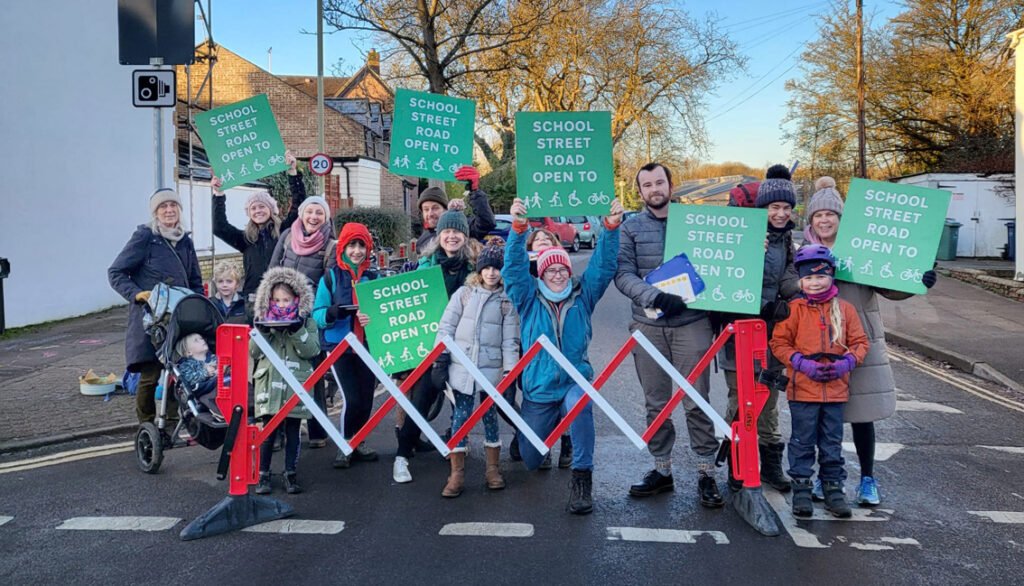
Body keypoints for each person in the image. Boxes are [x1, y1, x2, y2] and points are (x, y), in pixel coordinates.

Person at [802, 176, 938, 505]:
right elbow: (791, 287)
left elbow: (891, 286)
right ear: (811, 221)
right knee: (823, 418)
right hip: (819, 345)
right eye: (818, 215)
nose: (824, 220)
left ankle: (868, 479)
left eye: (830, 214)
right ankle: (826, 478)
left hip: (859, 343)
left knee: (863, 416)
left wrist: (918, 280)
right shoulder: (804, 253)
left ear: (840, 219)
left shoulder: (862, 250)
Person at [503, 196, 624, 515]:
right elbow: (514, 270)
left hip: (573, 382)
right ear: (540, 274)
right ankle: (537, 432)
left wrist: (611, 228)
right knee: (530, 460)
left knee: (580, 405)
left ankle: (582, 480)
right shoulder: (527, 299)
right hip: (539, 388)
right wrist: (517, 230)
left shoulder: (583, 296)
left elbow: (603, 266)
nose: (557, 274)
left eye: (562, 269)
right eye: (550, 270)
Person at [614, 162, 723, 508]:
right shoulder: (630, 229)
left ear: (671, 185)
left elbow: (724, 259)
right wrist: (654, 296)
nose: (654, 189)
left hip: (692, 323)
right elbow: (623, 274)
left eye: (659, 182)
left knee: (696, 400)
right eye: (647, 185)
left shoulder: (696, 223)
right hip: (649, 325)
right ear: (640, 191)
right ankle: (662, 469)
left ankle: (706, 472)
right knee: (656, 403)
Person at [770, 244, 870, 518]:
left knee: (831, 442)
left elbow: (860, 342)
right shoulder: (793, 309)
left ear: (831, 276)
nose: (815, 282)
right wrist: (801, 363)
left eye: (821, 276)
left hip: (836, 391)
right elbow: (779, 343)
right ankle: (801, 488)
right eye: (809, 277)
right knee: (802, 441)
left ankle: (833, 489)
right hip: (803, 389)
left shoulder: (845, 309)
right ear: (801, 280)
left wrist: (847, 362)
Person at [721, 164, 800, 493]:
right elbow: (726, 278)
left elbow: (788, 277)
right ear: (762, 208)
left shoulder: (787, 240)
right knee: (741, 398)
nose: (780, 213)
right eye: (774, 207)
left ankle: (769, 464)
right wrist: (749, 254)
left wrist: (804, 288)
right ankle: (737, 464)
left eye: (786, 207)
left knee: (768, 399)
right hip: (739, 330)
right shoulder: (742, 235)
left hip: (772, 333)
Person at [393, 210, 482, 483]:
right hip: (431, 348)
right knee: (420, 401)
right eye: (447, 231)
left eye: (457, 231)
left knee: (463, 403)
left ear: (464, 235)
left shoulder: (476, 267)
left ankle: (457, 449)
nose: (452, 236)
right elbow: (405, 304)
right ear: (439, 235)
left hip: (466, 348)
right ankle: (402, 456)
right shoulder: (425, 267)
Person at [108, 189, 204, 426]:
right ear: (155, 212)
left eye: (173, 205)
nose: (169, 210)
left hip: (179, 317)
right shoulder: (145, 237)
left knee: (175, 372)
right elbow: (116, 272)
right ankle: (147, 424)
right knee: (150, 375)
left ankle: (170, 420)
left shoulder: (185, 241)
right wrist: (136, 294)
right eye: (163, 207)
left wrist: (199, 307)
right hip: (151, 318)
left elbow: (194, 281)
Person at [434, 243, 520, 497]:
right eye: (488, 268)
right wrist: (441, 356)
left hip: (491, 368)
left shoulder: (507, 300)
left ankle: (492, 468)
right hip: (462, 367)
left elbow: (510, 340)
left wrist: (509, 372)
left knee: (490, 417)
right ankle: (456, 473)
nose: (492, 273)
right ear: (479, 269)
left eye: (497, 268)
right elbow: (446, 326)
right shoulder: (464, 294)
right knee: (461, 416)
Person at [269, 194, 337, 448]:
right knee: (279, 373)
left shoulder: (330, 245)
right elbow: (272, 271)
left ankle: (318, 431)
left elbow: (327, 286)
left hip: (308, 319)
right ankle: (277, 431)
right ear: (301, 213)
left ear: (326, 217)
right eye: (310, 211)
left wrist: (303, 307)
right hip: (279, 316)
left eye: (319, 212)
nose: (313, 217)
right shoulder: (287, 236)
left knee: (313, 375)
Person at [312, 222, 380, 469]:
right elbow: (317, 313)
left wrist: (371, 317)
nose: (357, 251)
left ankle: (359, 442)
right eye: (352, 244)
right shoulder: (330, 277)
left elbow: (381, 312)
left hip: (367, 345)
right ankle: (345, 443)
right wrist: (332, 313)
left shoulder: (373, 276)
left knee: (366, 398)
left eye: (361, 245)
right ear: (343, 247)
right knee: (351, 398)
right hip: (340, 346)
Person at [251, 266, 321, 495]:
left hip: (295, 388)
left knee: (293, 432)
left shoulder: (307, 322)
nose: (281, 305)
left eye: (286, 300)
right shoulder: (262, 321)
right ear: (269, 300)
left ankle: (290, 473)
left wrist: (297, 329)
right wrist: (262, 330)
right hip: (269, 385)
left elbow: (312, 350)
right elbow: (253, 352)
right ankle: (263, 474)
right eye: (277, 300)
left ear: (297, 299)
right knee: (268, 433)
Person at [211, 150, 306, 316]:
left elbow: (299, 206)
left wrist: (292, 173)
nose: (258, 211)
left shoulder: (283, 231)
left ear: (271, 210)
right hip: (253, 297)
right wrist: (219, 194)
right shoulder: (245, 239)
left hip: (281, 296)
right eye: (253, 208)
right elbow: (219, 227)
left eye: (262, 206)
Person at [414, 166, 496, 251]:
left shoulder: (462, 226)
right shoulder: (421, 241)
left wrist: (474, 191)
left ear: (445, 209)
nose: (430, 213)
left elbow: (486, 223)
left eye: (435, 208)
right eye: (426, 209)